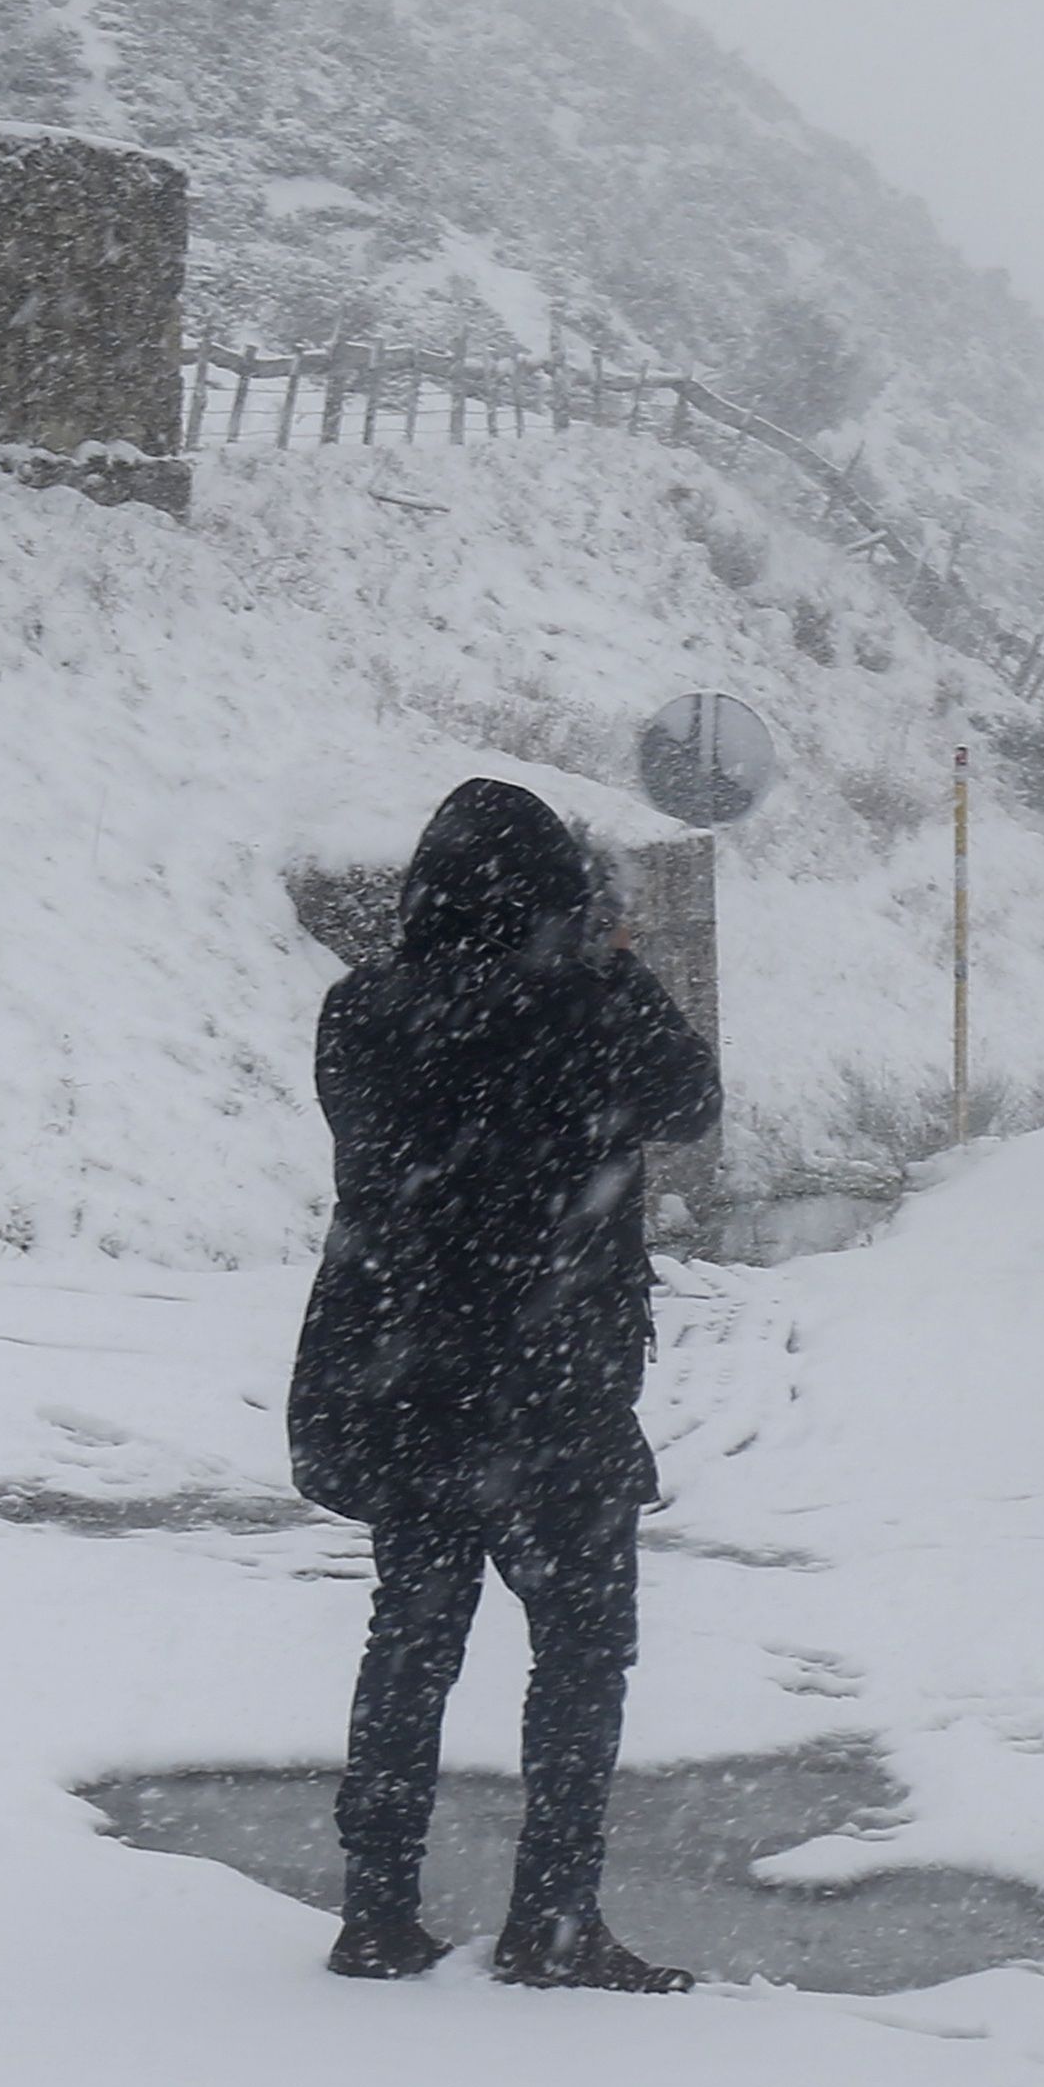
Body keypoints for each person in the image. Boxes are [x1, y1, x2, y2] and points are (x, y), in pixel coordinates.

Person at [286, 777, 722, 1988]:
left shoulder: (360, 1012)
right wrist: (606, 962)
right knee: (581, 1656)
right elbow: (692, 1098)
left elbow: (395, 1147)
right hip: (553, 1389)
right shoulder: (587, 1008)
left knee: (410, 1647)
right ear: (558, 898)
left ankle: (376, 1913)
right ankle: (552, 1922)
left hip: (409, 1380)